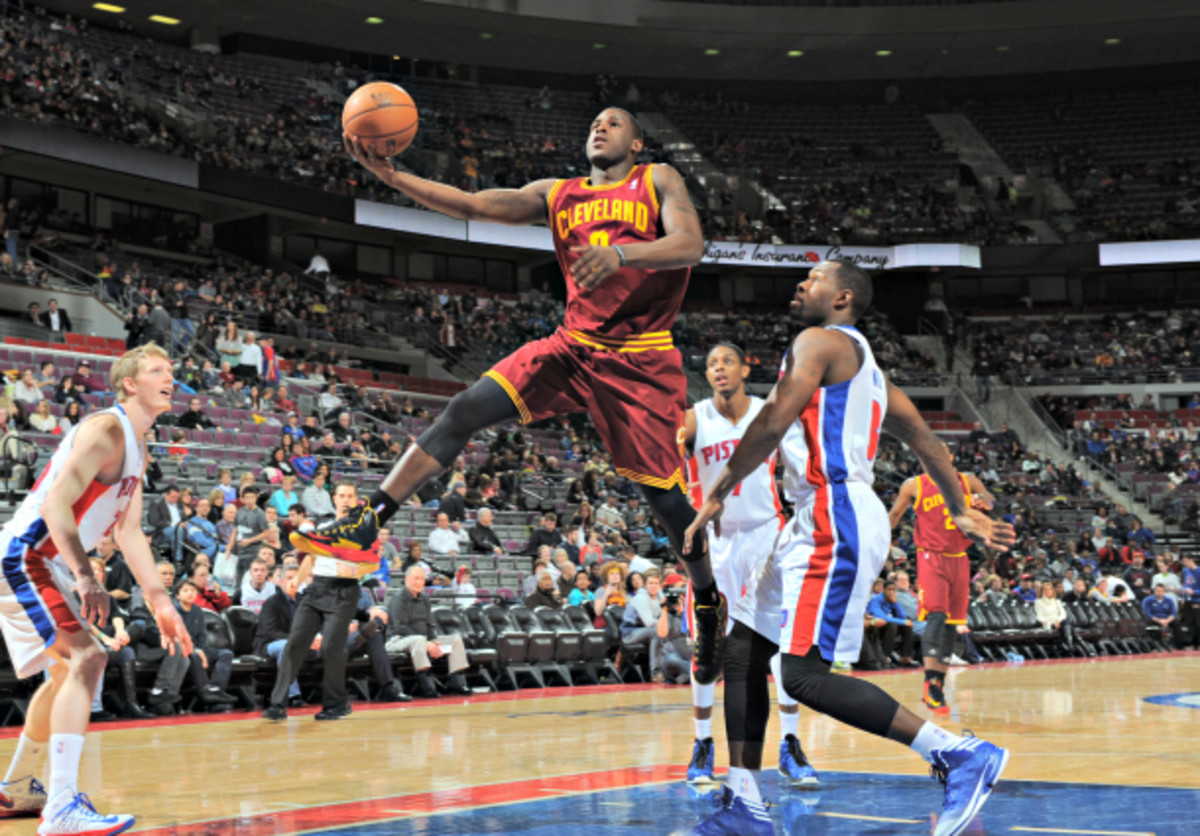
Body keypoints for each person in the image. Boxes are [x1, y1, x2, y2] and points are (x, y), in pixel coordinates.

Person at [299, 106, 725, 685]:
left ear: (637, 141)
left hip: (640, 358)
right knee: (462, 410)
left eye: (614, 122)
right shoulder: (559, 193)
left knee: (666, 501)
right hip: (571, 346)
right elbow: (474, 205)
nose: (599, 126)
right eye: (593, 121)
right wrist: (393, 176)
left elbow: (691, 244)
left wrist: (622, 253)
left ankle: (705, 595)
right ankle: (370, 520)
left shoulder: (656, 179)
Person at [684, 261, 1015, 836]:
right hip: (813, 516)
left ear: (841, 297)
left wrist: (717, 493)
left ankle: (957, 752)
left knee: (803, 676)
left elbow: (768, 422)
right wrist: (959, 505)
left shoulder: (818, 342)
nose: (799, 285)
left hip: (835, 512)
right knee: (743, 651)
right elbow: (925, 438)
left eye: (810, 279)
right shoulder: (868, 372)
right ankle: (745, 802)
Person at [0, 344, 192, 831]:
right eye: (156, 371)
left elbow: (128, 532)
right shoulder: (106, 429)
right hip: (28, 555)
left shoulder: (139, 445)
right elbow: (55, 506)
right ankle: (61, 807)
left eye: (170, 370)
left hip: (49, 561)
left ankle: (19, 788)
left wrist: (160, 600)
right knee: (89, 657)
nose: (169, 377)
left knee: (67, 672)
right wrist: (87, 575)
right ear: (130, 383)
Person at [679, 342, 812, 787]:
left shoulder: (768, 411)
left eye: (727, 361)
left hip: (767, 537)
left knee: (778, 648)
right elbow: (668, 474)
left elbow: (801, 472)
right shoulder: (693, 419)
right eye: (712, 363)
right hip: (716, 546)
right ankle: (702, 745)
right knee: (708, 651)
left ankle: (790, 745)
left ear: (744, 366)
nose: (718, 369)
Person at [888, 440, 994, 714]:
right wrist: (879, 543)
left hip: (960, 558)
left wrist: (985, 502)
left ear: (950, 457)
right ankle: (929, 684)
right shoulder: (915, 485)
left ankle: (938, 685)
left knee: (952, 625)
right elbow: (896, 513)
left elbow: (991, 499)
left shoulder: (967, 480)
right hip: (930, 556)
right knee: (936, 615)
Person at [262, 482, 378, 722]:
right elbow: (311, 558)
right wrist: (298, 581)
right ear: (334, 499)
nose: (345, 500)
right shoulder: (323, 525)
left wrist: (357, 568)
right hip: (317, 589)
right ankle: (277, 703)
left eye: (350, 496)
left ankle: (337, 703)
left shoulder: (363, 529)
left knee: (331, 648)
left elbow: (373, 562)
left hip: (345, 590)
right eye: (341, 496)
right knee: (295, 643)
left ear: (356, 500)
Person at [385, 566, 472, 698]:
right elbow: (401, 628)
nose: (419, 582)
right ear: (407, 579)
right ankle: (426, 686)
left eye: (422, 579)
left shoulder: (425, 598)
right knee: (419, 640)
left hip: (422, 640)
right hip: (397, 640)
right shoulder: (399, 599)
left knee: (455, 640)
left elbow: (430, 624)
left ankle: (457, 682)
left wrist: (434, 640)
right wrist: (426, 643)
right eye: (416, 579)